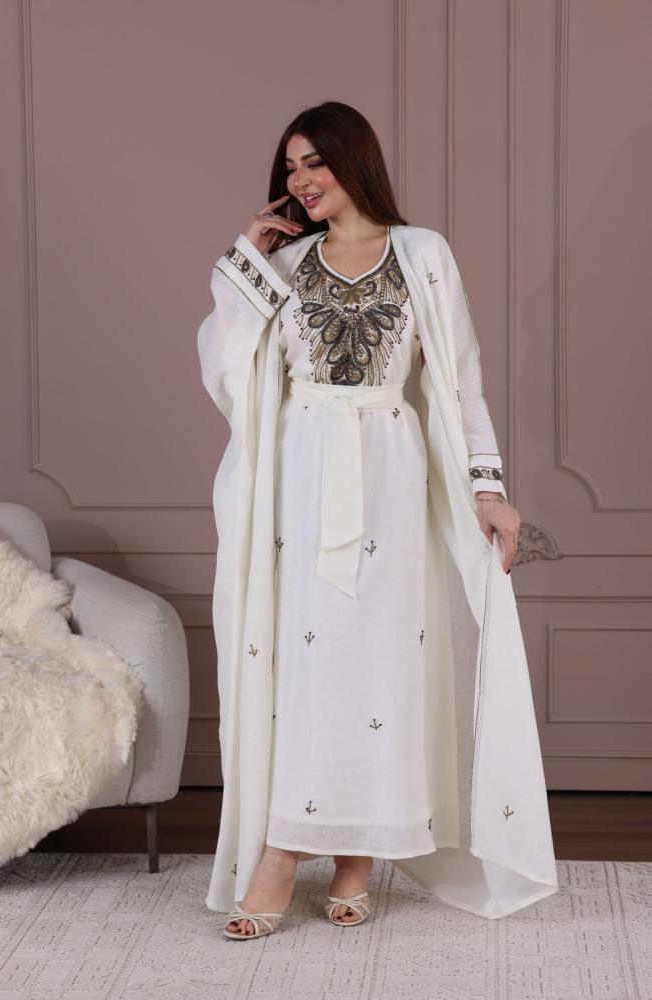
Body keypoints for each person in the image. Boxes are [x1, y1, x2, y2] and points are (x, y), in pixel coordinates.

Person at [197, 102, 558, 940]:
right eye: (291, 167)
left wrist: (488, 491)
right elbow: (226, 369)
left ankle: (357, 859)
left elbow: (459, 380)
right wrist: (248, 256)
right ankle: (281, 850)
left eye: (315, 161)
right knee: (305, 666)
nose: (301, 180)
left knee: (379, 669)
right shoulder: (284, 265)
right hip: (300, 477)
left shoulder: (423, 254)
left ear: (353, 159)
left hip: (394, 481)